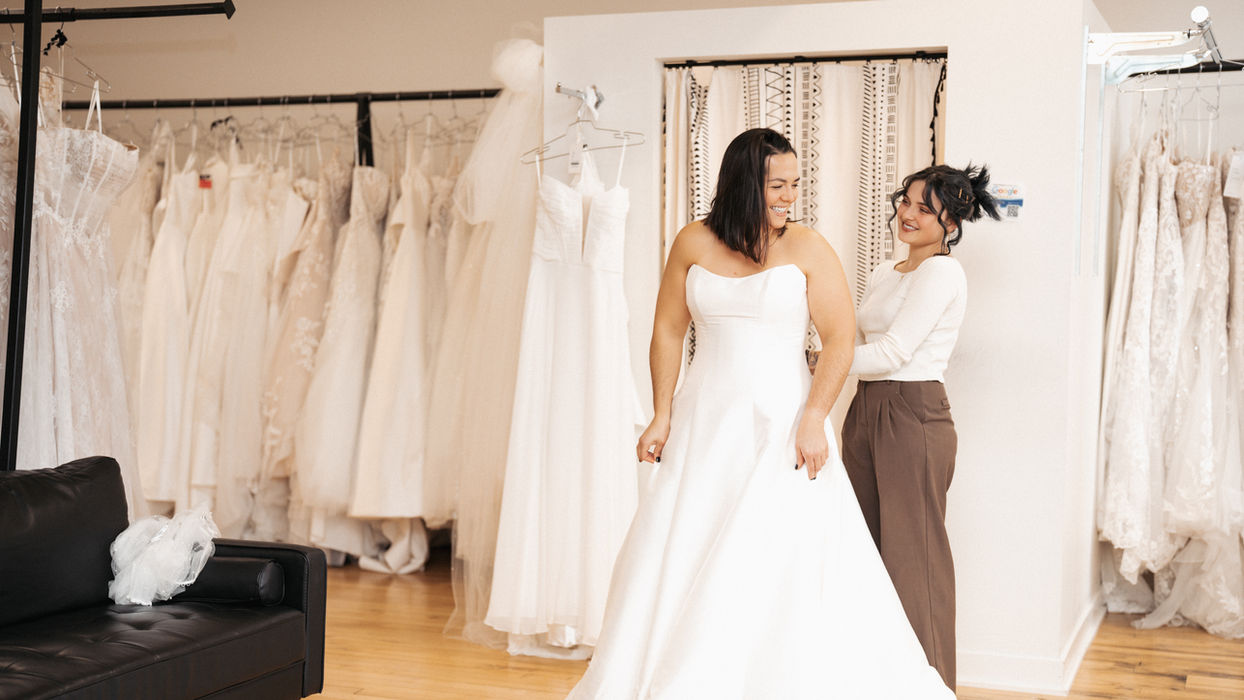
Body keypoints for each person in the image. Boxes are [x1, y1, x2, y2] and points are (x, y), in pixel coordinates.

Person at [566, 128, 953, 699]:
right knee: (684, 545)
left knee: (776, 553)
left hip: (784, 422)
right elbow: (667, 330)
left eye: (795, 184)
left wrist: (814, 417)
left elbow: (839, 339)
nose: (790, 196)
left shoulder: (808, 247)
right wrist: (661, 414)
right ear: (744, 183)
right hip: (704, 422)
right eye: (778, 185)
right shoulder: (692, 241)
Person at [842, 163, 1000, 692]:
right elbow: (864, 344)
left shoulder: (942, 273)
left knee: (916, 561)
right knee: (865, 553)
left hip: (913, 413)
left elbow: (893, 352)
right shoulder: (885, 272)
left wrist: (824, 362)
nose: (908, 214)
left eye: (924, 209)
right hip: (866, 410)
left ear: (950, 223)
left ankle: (932, 689)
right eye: (905, 202)